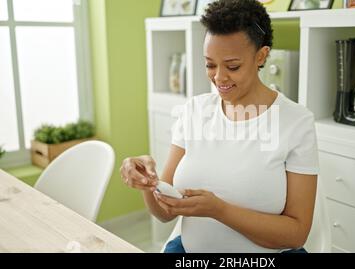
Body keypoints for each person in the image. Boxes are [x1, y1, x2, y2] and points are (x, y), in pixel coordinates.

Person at [120, 0, 318, 253]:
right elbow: (165, 213)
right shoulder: (194, 111)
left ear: (261, 56)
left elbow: (296, 234)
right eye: (210, 65)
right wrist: (148, 183)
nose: (219, 78)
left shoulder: (296, 122)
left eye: (233, 66)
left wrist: (219, 210)